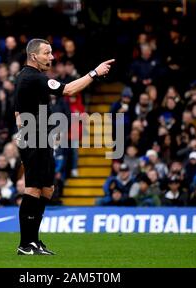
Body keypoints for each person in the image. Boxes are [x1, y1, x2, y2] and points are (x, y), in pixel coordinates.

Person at [14, 38, 114, 255]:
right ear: (34, 56)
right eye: (46, 53)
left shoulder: (29, 78)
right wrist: (94, 73)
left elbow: (17, 112)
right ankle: (26, 243)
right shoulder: (32, 77)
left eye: (51, 53)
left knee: (47, 189)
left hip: (41, 139)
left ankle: (34, 241)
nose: (51, 57)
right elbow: (68, 90)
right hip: (34, 139)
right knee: (33, 188)